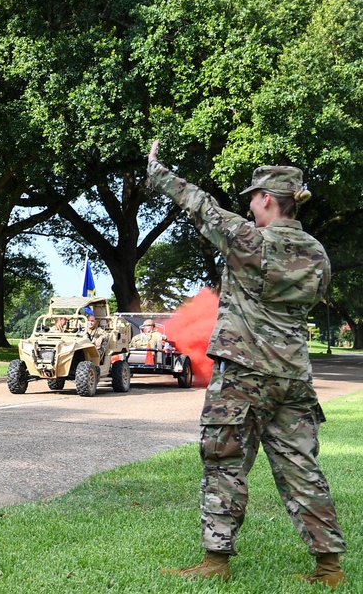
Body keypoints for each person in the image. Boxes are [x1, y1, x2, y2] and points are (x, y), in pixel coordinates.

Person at [148, 140, 346, 587]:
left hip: (243, 374)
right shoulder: (318, 254)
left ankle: (216, 562)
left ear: (267, 199)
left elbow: (198, 204)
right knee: (302, 467)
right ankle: (329, 567)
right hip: (294, 376)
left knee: (224, 463)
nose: (251, 204)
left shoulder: (248, 239)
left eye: (254, 197)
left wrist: (157, 170)